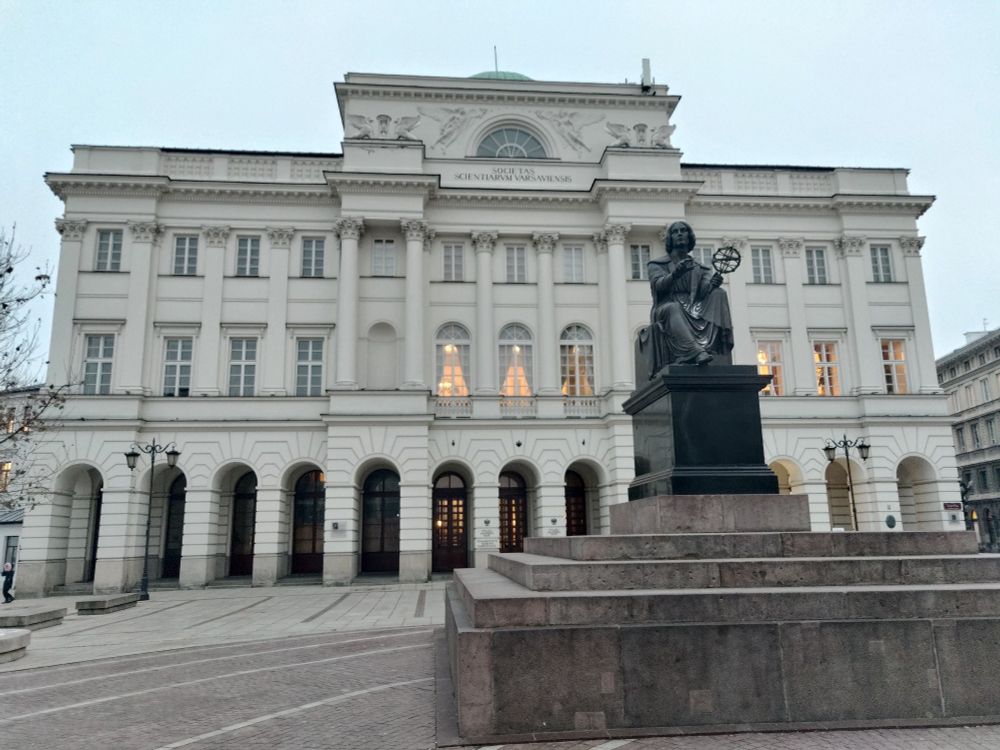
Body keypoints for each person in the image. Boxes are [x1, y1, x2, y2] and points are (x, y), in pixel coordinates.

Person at [644, 221, 733, 373]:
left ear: (689, 237)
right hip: (666, 307)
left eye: (683, 230)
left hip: (694, 305)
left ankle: (717, 350)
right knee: (674, 308)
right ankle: (697, 352)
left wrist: (713, 284)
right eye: (675, 231)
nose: (679, 233)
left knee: (719, 293)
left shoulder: (701, 267)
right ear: (670, 239)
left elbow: (704, 291)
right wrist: (675, 274)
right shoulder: (657, 264)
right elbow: (658, 286)